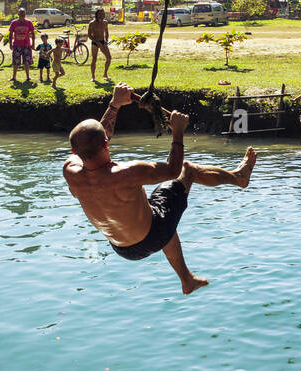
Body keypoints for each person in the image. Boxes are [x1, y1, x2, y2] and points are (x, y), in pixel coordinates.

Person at [63, 84, 257, 295]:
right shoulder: (128, 173)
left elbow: (98, 137)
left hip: (121, 248)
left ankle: (187, 280)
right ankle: (239, 178)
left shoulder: (70, 171)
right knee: (187, 170)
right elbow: (173, 170)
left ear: (74, 151)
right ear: (106, 145)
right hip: (153, 234)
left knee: (158, 210)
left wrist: (115, 104)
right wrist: (178, 132)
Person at [8, 7, 35, 84]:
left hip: (26, 45)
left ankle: (28, 77)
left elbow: (32, 34)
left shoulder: (29, 23)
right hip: (16, 45)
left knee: (26, 61)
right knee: (15, 62)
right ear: (18, 14)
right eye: (21, 14)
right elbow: (10, 34)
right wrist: (10, 44)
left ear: (25, 14)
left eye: (23, 14)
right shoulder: (14, 23)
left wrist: (33, 44)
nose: (22, 15)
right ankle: (14, 77)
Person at [88, 8, 112, 82]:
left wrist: (106, 40)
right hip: (95, 42)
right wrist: (96, 41)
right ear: (96, 14)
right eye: (99, 14)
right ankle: (93, 76)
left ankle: (105, 74)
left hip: (102, 41)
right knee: (94, 59)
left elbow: (106, 33)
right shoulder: (92, 23)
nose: (101, 15)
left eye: (102, 14)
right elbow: (89, 35)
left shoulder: (105, 22)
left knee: (109, 58)